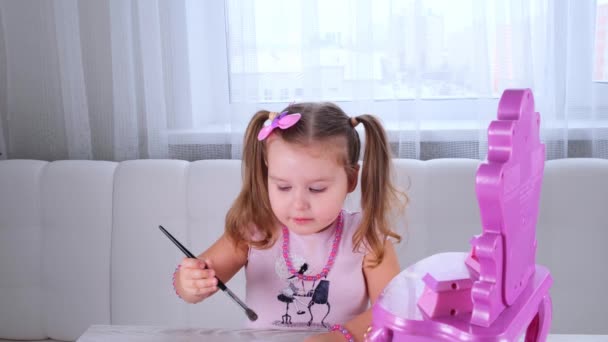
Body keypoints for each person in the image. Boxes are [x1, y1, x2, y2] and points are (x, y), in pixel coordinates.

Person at [173, 102, 407, 341]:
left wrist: (339, 338)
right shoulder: (254, 231)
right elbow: (197, 280)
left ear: (350, 179)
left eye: (316, 189)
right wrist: (189, 282)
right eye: (283, 187)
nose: (299, 204)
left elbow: (395, 310)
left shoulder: (366, 237)